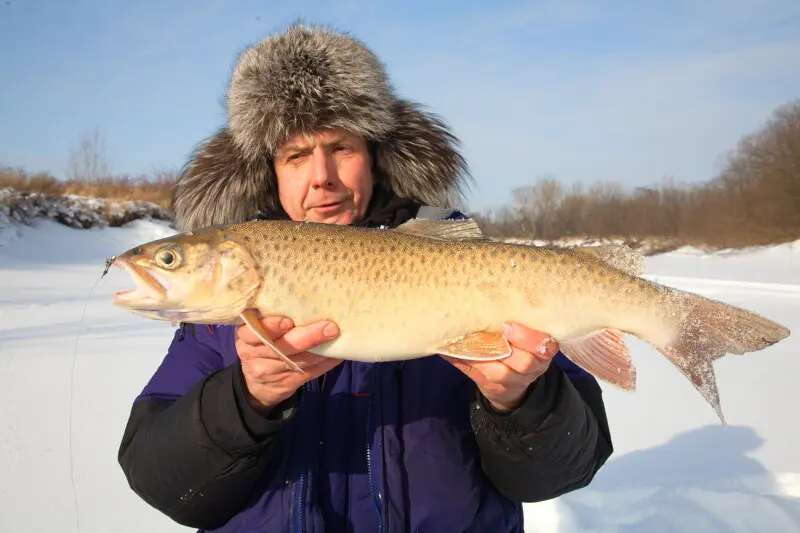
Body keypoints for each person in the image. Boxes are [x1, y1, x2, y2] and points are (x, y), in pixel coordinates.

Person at [118, 22, 613, 533]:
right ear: (271, 173)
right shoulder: (214, 322)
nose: (321, 176)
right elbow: (163, 486)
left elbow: (566, 469)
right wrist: (246, 399)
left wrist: (521, 400)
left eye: (341, 148)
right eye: (295, 156)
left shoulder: (465, 259)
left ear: (375, 158)